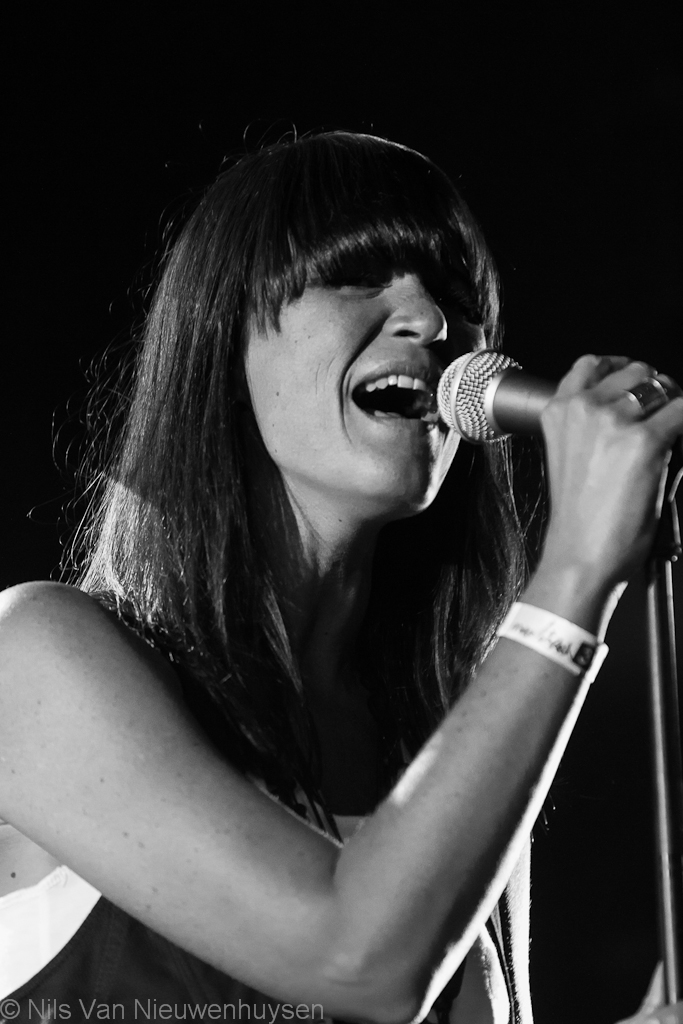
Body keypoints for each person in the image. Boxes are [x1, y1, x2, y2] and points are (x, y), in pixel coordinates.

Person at [0, 131, 681, 1024]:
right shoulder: (33, 656)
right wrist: (579, 568)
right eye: (355, 277)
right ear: (222, 343)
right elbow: (356, 960)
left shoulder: (448, 726)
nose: (430, 321)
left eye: (456, 295)